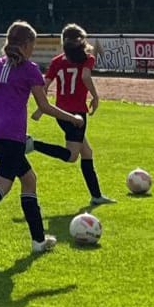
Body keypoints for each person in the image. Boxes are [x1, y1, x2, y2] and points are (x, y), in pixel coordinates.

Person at [0, 21, 92, 256]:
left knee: (29, 180)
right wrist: (73, 119)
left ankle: (39, 241)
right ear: (27, 45)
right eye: (33, 46)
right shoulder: (29, 69)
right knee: (2, 185)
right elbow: (44, 106)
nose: (32, 50)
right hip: (13, 136)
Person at [37, 23, 112, 208]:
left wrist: (42, 107)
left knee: (87, 152)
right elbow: (85, 76)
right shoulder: (87, 59)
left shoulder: (57, 61)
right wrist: (95, 96)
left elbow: (45, 86)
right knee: (71, 156)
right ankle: (33, 144)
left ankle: (96, 196)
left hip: (60, 112)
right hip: (77, 113)